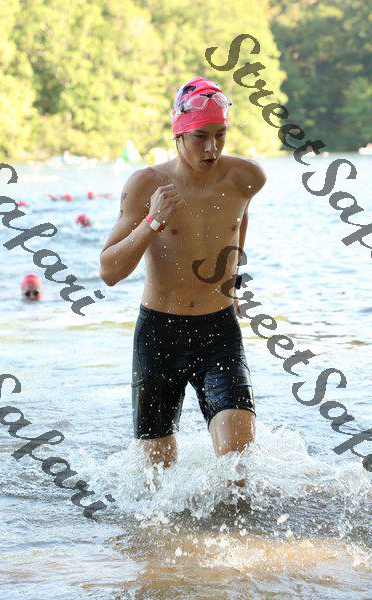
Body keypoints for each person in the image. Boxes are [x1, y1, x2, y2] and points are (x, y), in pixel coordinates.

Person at [100, 76, 266, 482]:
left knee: (237, 468)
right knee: (156, 480)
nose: (212, 148)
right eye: (200, 137)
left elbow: (238, 221)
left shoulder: (246, 177)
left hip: (218, 331)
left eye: (220, 135)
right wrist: (153, 221)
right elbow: (109, 271)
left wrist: (234, 281)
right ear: (178, 135)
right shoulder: (146, 184)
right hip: (159, 334)